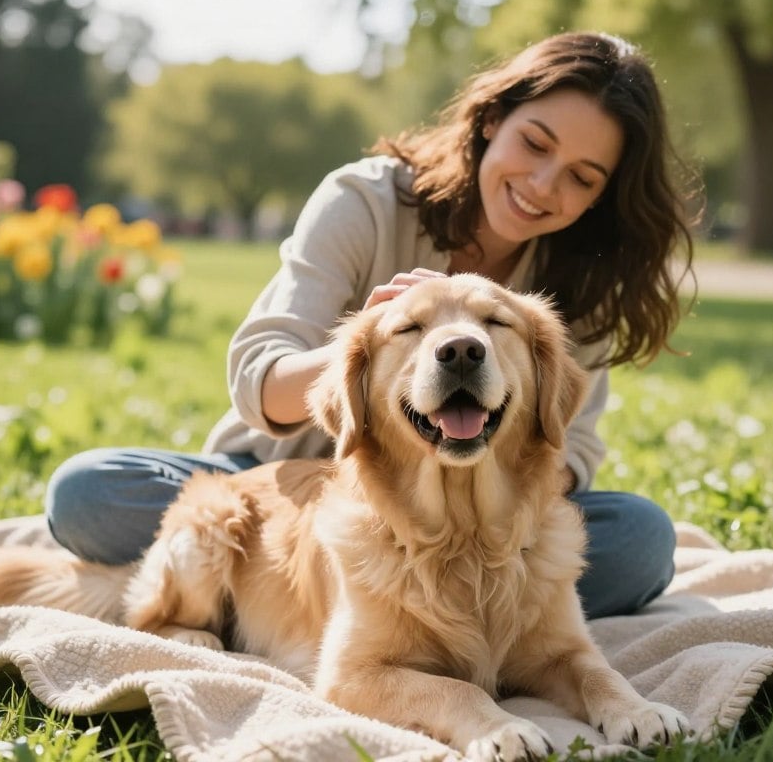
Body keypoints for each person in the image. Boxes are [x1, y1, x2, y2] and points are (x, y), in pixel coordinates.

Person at [46, 31, 699, 619]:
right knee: (87, 493)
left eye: (582, 178)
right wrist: (374, 339)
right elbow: (257, 378)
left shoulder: (585, 280)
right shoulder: (363, 201)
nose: (543, 184)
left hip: (483, 527)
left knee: (640, 540)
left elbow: (570, 449)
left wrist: (469, 521)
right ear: (492, 119)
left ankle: (370, 613)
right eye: (534, 143)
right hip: (280, 489)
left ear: (601, 196)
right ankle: (292, 598)